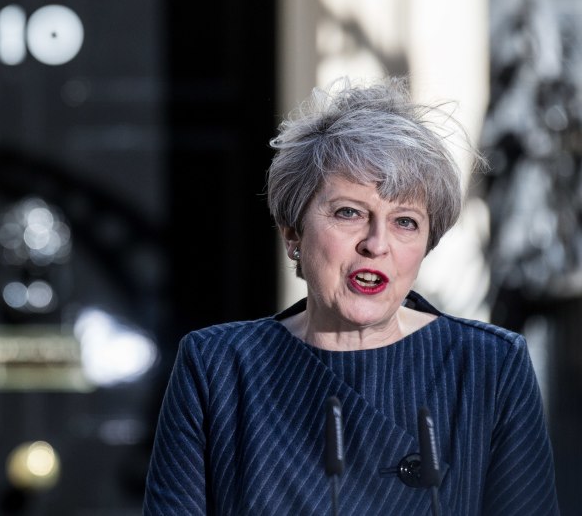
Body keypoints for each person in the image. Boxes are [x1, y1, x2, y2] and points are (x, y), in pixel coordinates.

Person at [143, 77, 559, 515]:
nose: (377, 243)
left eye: (405, 222)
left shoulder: (490, 366)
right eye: (349, 213)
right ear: (292, 234)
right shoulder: (217, 368)